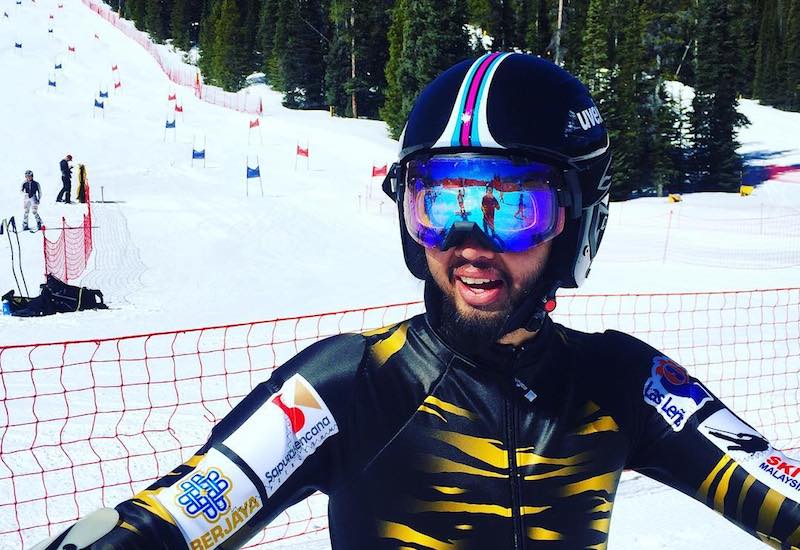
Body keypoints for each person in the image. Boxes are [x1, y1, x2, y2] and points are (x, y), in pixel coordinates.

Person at [33, 53, 800, 550]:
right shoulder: (353, 383)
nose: (469, 243)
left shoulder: (622, 382)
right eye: (441, 202)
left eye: (512, 207)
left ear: (576, 220)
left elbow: (770, 484)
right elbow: (181, 512)